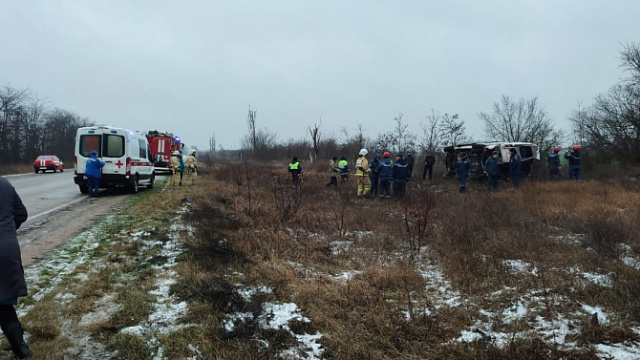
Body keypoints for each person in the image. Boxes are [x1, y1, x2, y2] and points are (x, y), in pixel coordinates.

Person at [0, 176, 31, 359]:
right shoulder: (4, 183)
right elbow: (21, 214)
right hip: (6, 249)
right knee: (2, 303)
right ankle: (21, 348)